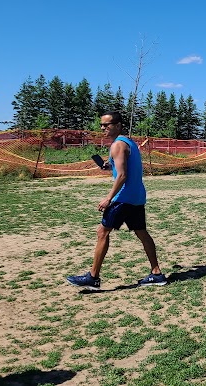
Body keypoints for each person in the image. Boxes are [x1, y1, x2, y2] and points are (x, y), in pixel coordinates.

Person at [67, 111, 166, 289]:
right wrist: (109, 166)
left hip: (123, 198)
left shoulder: (117, 145)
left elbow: (122, 175)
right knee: (142, 233)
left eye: (107, 125)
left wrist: (108, 198)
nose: (103, 128)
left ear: (118, 125)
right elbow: (123, 167)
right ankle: (157, 273)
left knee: (102, 232)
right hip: (136, 196)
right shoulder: (128, 143)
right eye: (102, 125)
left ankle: (93, 277)